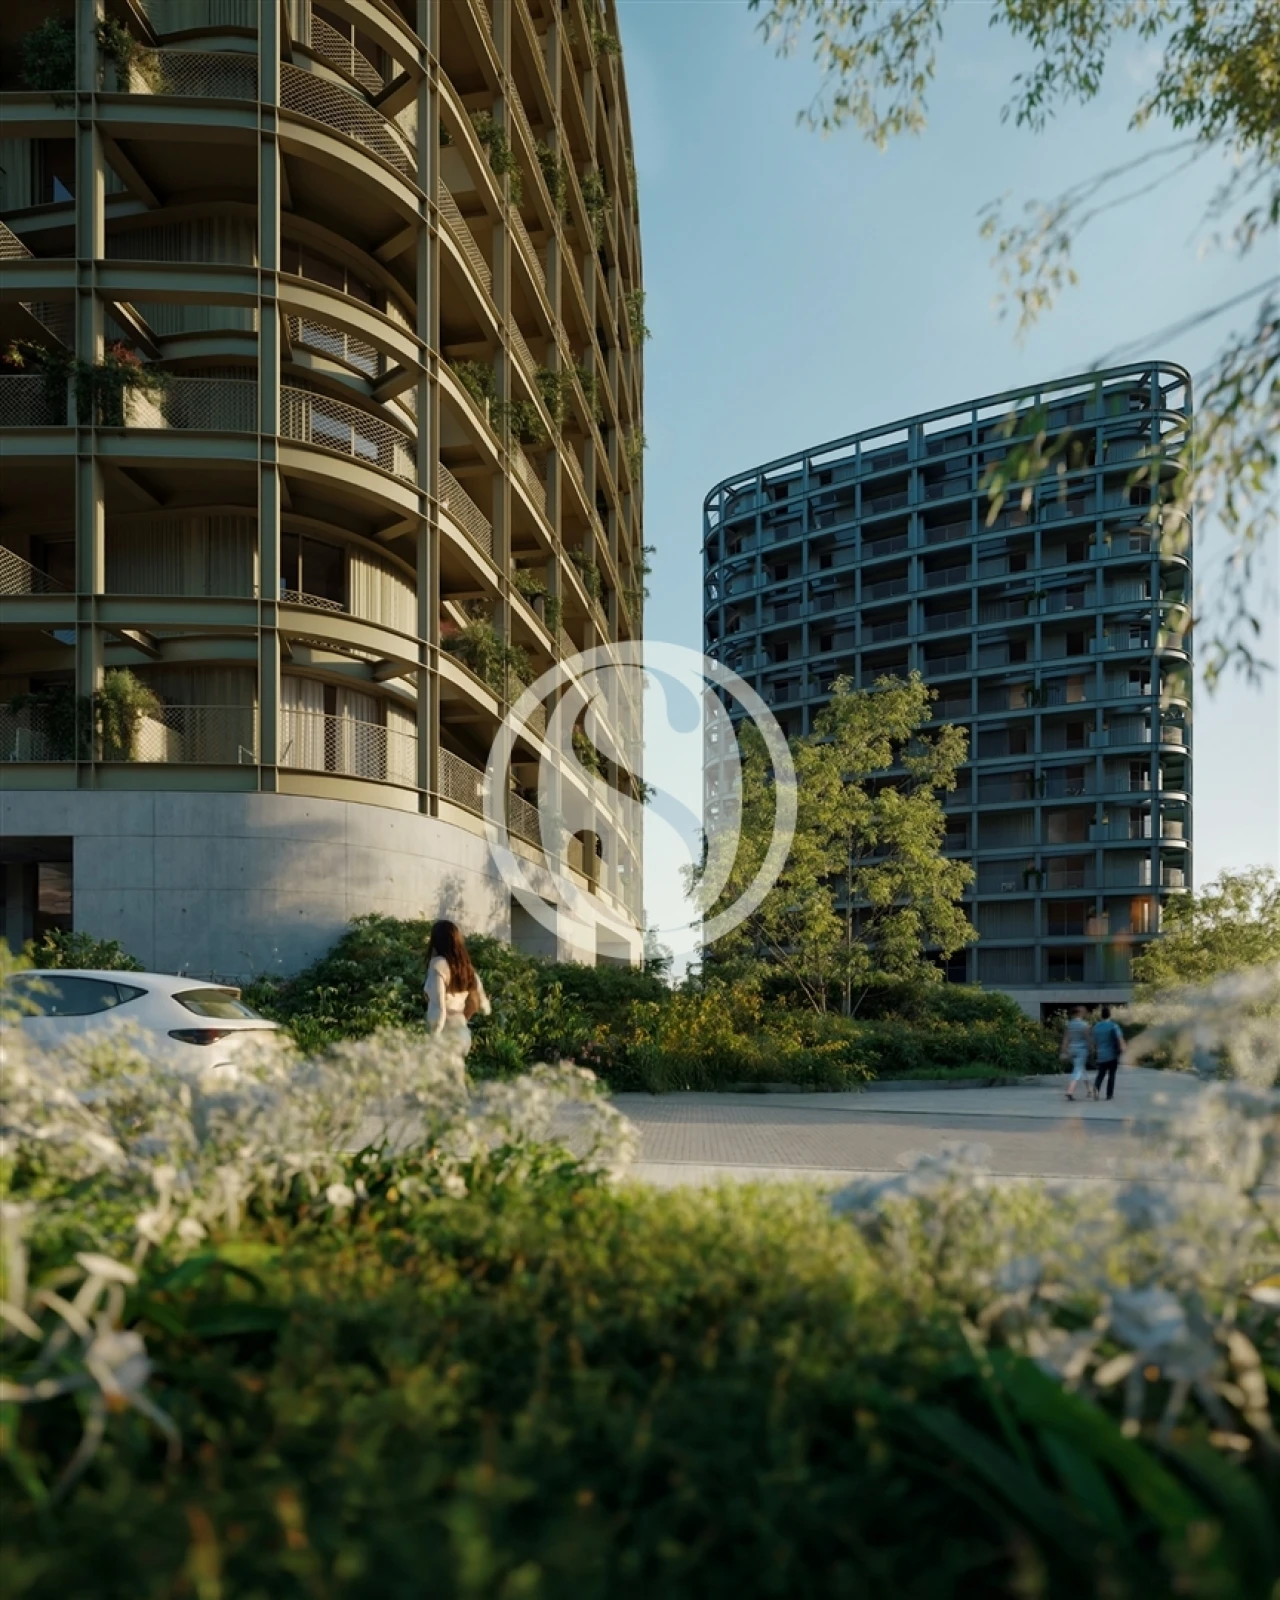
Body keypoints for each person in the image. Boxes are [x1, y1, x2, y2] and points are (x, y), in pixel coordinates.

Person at [423, 920, 490, 1056]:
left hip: (444, 1035)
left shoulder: (438, 965)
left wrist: (433, 1039)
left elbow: (438, 1007)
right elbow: (483, 1006)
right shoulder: (467, 968)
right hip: (462, 1034)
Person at [1091, 1005, 1125, 1102]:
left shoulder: (1096, 1027)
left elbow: (1093, 1042)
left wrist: (1094, 1051)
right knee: (1111, 1075)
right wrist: (1122, 1048)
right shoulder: (1113, 1026)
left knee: (1101, 1073)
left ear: (1101, 1016)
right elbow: (1119, 1038)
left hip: (1101, 1054)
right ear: (1110, 1015)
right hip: (1112, 1054)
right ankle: (1109, 1094)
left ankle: (1096, 1087)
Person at [1060, 1005, 1092, 1101]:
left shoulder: (1069, 1024)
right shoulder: (1084, 1025)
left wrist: (1063, 1050)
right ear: (1079, 1013)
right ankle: (1070, 1091)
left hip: (1071, 1049)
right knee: (1078, 1069)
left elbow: (1066, 1039)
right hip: (1081, 1050)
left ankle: (1089, 1089)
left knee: (1081, 1068)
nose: (1085, 1013)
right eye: (1083, 1011)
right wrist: (1092, 1048)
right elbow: (1088, 1039)